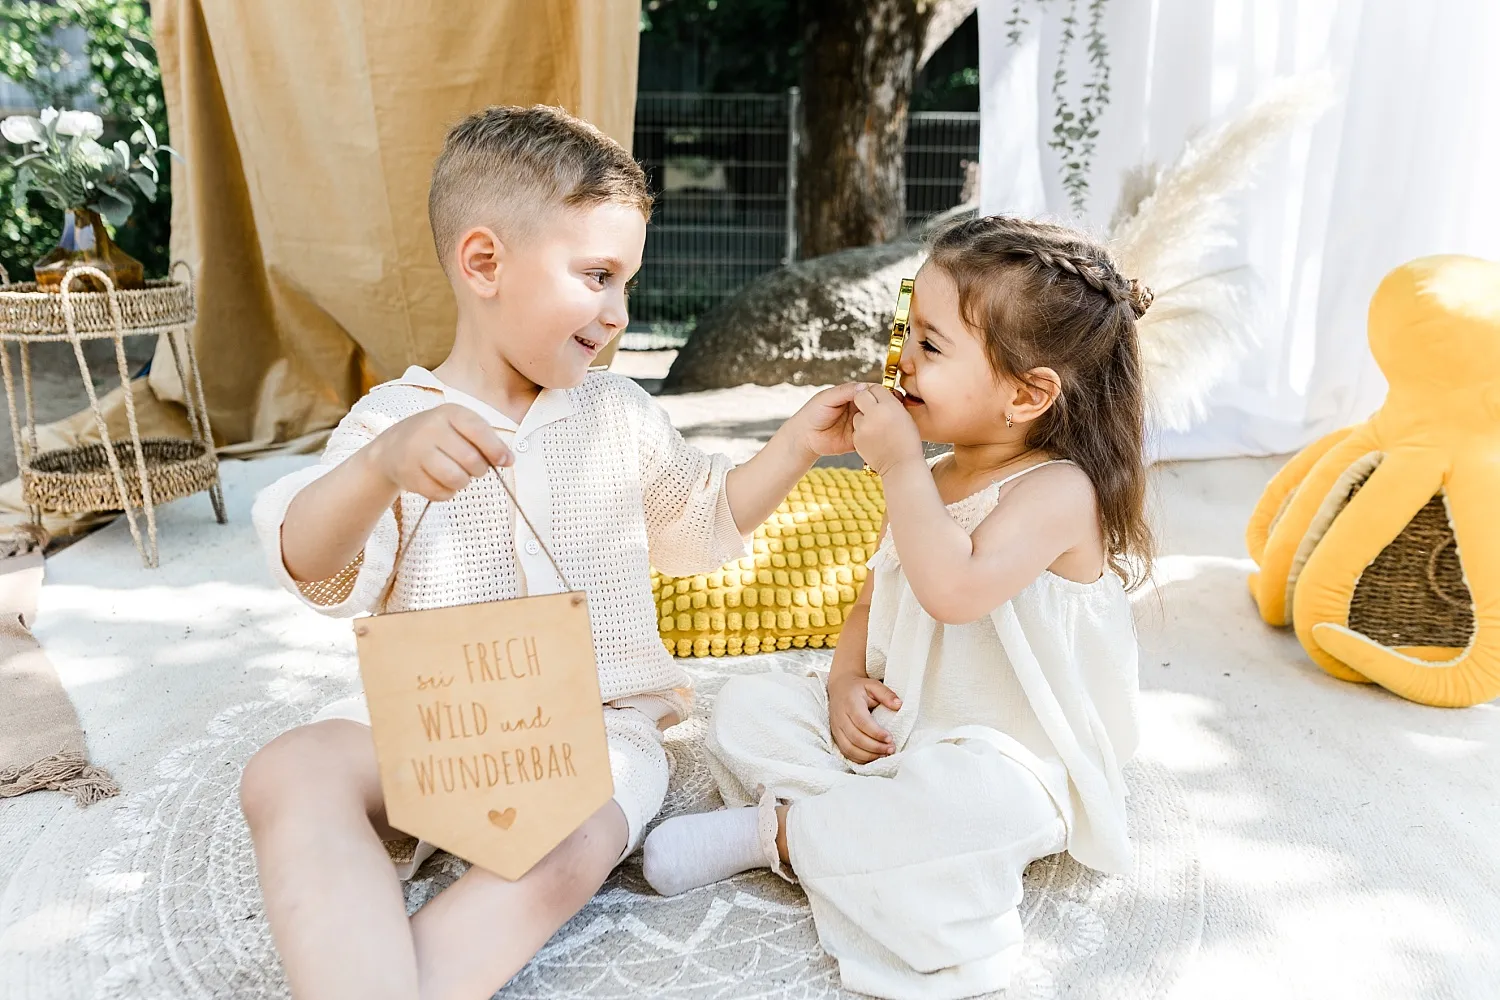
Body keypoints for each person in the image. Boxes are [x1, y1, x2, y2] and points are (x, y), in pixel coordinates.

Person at [242, 104, 861, 1000]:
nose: (618, 313)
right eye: (598, 276)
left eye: (626, 284)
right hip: (435, 715)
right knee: (289, 768)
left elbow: (700, 524)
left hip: (594, 732)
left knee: (566, 845)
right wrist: (379, 469)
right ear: (484, 262)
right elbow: (314, 564)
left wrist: (796, 445)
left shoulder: (618, 412)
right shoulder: (391, 423)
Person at [642, 215, 1154, 1000]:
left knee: (972, 811)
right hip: (900, 730)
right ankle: (864, 832)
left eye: (931, 345)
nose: (901, 358)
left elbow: (954, 592)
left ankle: (783, 834)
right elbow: (871, 598)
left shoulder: (1059, 492)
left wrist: (901, 467)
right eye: (905, 330)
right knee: (747, 707)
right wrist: (845, 682)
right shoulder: (935, 476)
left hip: (1010, 760)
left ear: (1027, 394)